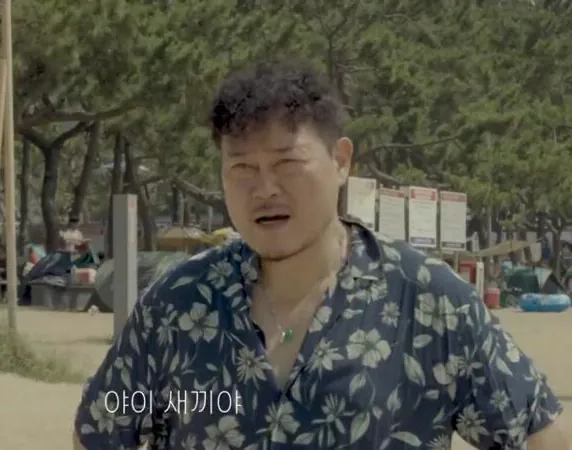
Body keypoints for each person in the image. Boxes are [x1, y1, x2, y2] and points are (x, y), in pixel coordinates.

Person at [73, 60, 567, 449]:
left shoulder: (429, 302)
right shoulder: (177, 305)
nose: (265, 189)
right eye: (242, 168)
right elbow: (99, 431)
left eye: (287, 163)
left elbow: (540, 435)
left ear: (341, 160)